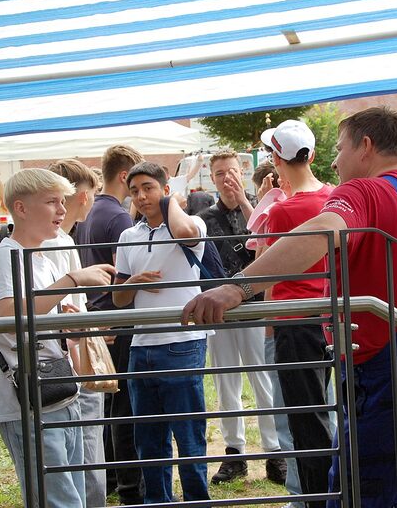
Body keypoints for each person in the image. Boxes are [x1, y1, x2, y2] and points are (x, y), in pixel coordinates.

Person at [182, 106, 397, 507]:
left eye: (341, 148)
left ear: (366, 146)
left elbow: (321, 230)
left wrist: (236, 289)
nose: (334, 160)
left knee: (359, 496)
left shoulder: (363, 192)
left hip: (389, 376)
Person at [0, 168, 115, 508]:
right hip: (27, 396)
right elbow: (11, 316)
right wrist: (72, 279)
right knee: (58, 499)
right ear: (21, 208)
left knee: (70, 494)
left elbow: (36, 319)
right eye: (51, 202)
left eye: (62, 201)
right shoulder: (6, 254)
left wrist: (70, 329)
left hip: (56, 390)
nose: (61, 210)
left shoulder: (40, 258)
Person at [113, 162, 211, 503]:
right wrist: (133, 282)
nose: (141, 196)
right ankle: (158, 500)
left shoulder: (190, 222)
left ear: (166, 190)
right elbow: (118, 297)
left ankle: (198, 499)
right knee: (148, 439)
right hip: (142, 346)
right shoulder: (128, 236)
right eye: (135, 190)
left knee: (188, 436)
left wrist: (172, 206)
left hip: (182, 343)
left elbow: (186, 235)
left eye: (149, 188)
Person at [256, 119, 336, 507]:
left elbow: (264, 265)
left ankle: (315, 499)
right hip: (330, 318)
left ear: (276, 158)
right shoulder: (335, 198)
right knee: (325, 412)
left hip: (293, 319)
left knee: (304, 419)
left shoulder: (282, 211)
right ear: (312, 155)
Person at [197, 150, 285, 485]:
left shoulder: (260, 208)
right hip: (219, 311)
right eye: (220, 174)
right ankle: (234, 452)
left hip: (256, 306)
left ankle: (275, 451)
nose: (226, 179)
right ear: (211, 177)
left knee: (262, 379)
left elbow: (265, 239)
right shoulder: (203, 216)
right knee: (225, 381)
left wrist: (246, 203)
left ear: (241, 172)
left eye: (231, 172)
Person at [72, 144, 146, 505]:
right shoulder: (118, 218)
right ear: (123, 176)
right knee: (124, 409)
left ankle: (114, 477)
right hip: (117, 321)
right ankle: (130, 484)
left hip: (97, 316)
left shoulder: (90, 214)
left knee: (109, 407)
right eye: (136, 183)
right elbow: (125, 274)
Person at [43, 159, 107, 507]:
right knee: (84, 456)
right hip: (69, 368)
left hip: (69, 363)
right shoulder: (58, 243)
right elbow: (66, 313)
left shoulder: (62, 240)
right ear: (83, 195)